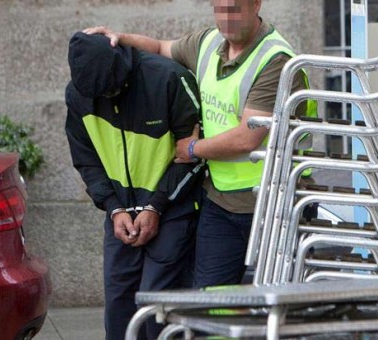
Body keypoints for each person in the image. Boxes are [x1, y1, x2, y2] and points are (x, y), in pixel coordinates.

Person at [85, 0, 317, 288]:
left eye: (234, 8)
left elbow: (248, 136)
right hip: (221, 202)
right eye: (220, 8)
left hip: (276, 202)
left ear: (256, 4)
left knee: (281, 304)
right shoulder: (208, 42)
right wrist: (118, 38)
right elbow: (159, 47)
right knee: (210, 303)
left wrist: (191, 150)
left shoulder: (275, 60)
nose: (226, 17)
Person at [65, 32, 204, 339]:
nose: (108, 97)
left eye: (113, 89)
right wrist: (114, 209)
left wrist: (156, 205)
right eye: (100, 95)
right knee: (119, 308)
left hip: (173, 209)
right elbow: (87, 160)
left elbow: (195, 154)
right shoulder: (78, 95)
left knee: (157, 306)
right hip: (121, 215)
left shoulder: (168, 78)